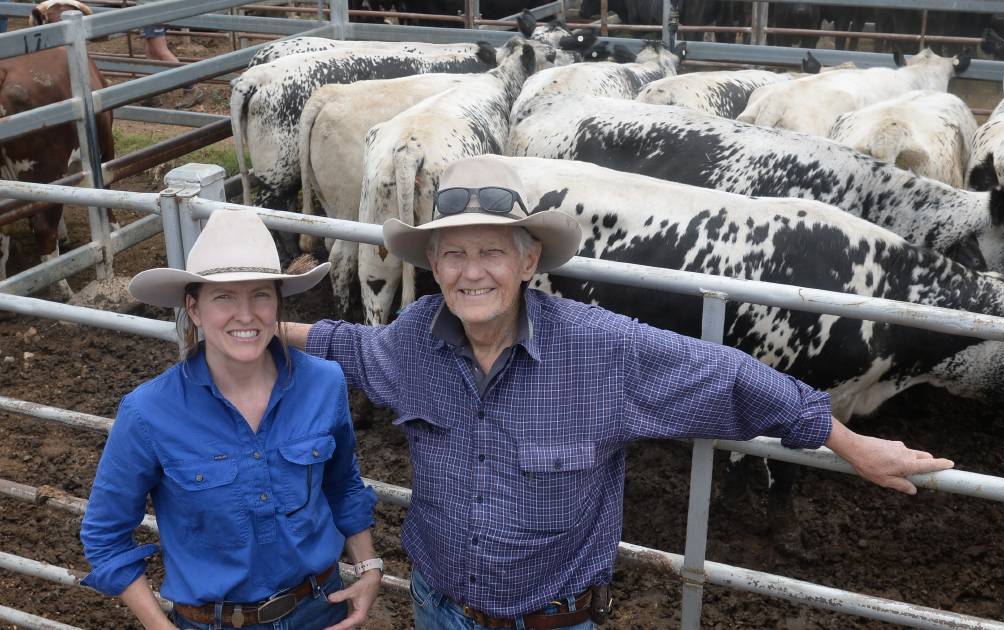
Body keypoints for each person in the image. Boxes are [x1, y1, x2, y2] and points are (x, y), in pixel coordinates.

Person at [281, 155, 955, 629]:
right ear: (432, 264)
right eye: (453, 254)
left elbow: (730, 375)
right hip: (439, 608)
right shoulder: (409, 341)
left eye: (492, 252)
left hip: (554, 622)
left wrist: (848, 441)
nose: (471, 272)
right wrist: (259, 328)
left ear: (528, 260)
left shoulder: (603, 349)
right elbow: (345, 345)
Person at [81, 209, 382, 630]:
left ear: (277, 302)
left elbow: (342, 485)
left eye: (261, 294)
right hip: (211, 621)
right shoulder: (148, 412)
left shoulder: (323, 383)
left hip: (319, 608)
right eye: (224, 296)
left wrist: (369, 567)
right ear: (195, 309)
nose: (246, 315)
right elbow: (104, 537)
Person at [141, 23, 204, 108]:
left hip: (151, 14)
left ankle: (191, 88)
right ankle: (152, 93)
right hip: (149, 14)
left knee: (161, 51)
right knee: (150, 50)